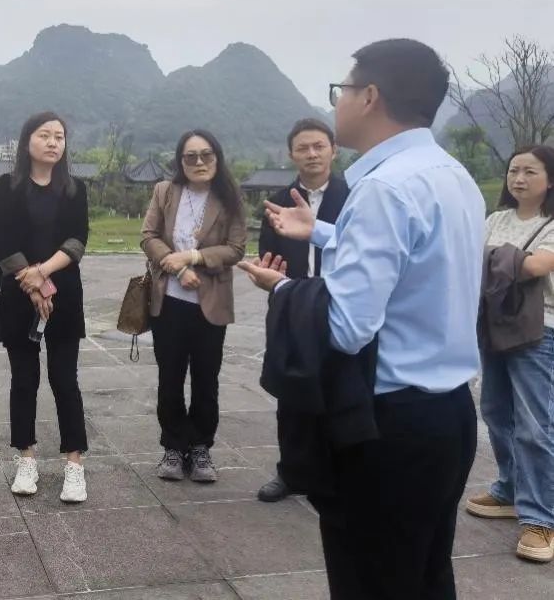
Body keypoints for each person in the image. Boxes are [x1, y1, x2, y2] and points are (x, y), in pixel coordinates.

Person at [240, 39, 484, 599]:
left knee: (371, 581)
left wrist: (283, 289)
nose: (338, 102)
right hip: (448, 414)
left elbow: (347, 328)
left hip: (389, 429)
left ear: (370, 96)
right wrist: (322, 232)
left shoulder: (383, 188)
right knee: (426, 574)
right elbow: (416, 262)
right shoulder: (453, 175)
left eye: (342, 90)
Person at [0, 112, 90, 503]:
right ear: (27, 141)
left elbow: (78, 241)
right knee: (24, 379)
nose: (52, 142)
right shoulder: (8, 186)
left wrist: (43, 276)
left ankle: (74, 464)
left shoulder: (75, 189)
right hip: (18, 296)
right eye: (44, 135)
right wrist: (31, 285)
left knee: (65, 379)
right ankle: (26, 458)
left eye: (59, 136)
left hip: (64, 294)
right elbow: (4, 239)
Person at [141, 130, 246, 483]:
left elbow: (236, 248)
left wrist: (194, 257)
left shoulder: (229, 197)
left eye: (206, 155)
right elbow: (148, 236)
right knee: (169, 378)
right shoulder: (165, 192)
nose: (199, 162)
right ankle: (173, 446)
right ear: (180, 161)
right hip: (169, 303)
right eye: (191, 156)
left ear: (217, 157)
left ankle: (200, 447)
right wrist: (177, 267)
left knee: (206, 379)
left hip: (210, 304)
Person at [466, 145, 554, 563]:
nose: (518, 178)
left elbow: (537, 267)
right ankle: (510, 488)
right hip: (495, 325)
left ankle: (541, 518)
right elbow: (472, 261)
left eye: (530, 172)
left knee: (535, 426)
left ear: (550, 180)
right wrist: (509, 259)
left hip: (541, 332)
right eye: (513, 170)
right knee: (496, 412)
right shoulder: (496, 220)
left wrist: (492, 258)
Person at [256, 118, 349, 504]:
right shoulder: (278, 200)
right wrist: (269, 276)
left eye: (319, 146)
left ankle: (338, 471)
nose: (311, 154)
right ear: (291, 154)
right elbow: (267, 251)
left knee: (340, 388)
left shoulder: (355, 195)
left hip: (340, 303)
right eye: (303, 148)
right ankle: (291, 472)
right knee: (291, 392)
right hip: (292, 304)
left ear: (333, 150)